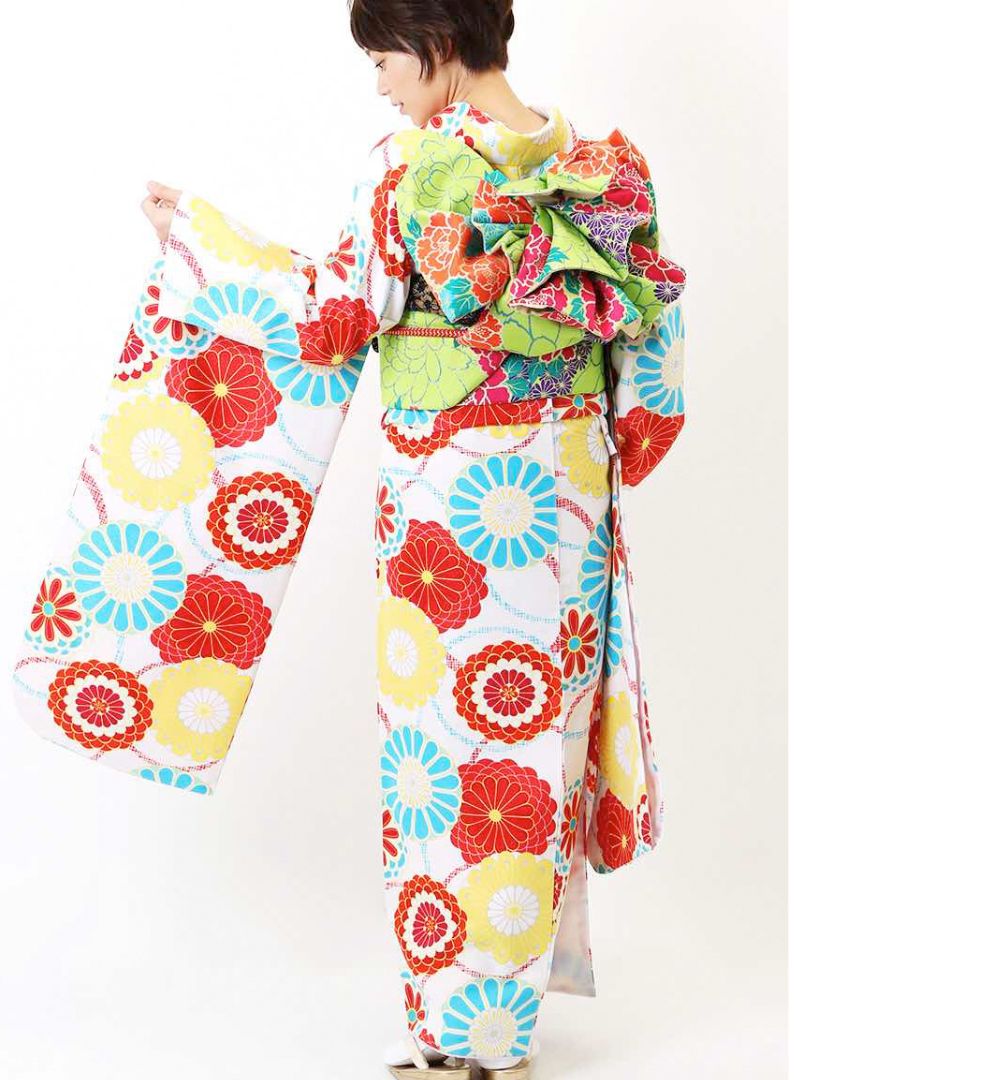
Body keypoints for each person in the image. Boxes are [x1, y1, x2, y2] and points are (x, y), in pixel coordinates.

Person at [134, 1, 687, 1076]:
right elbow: (654, 385)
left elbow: (333, 318)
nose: (381, 82)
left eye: (385, 56)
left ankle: (454, 1038)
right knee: (537, 744)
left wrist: (197, 239)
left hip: (450, 503)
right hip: (568, 500)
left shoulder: (409, 167)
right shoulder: (607, 171)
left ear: (436, 41)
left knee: (444, 747)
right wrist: (582, 441)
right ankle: (503, 1034)